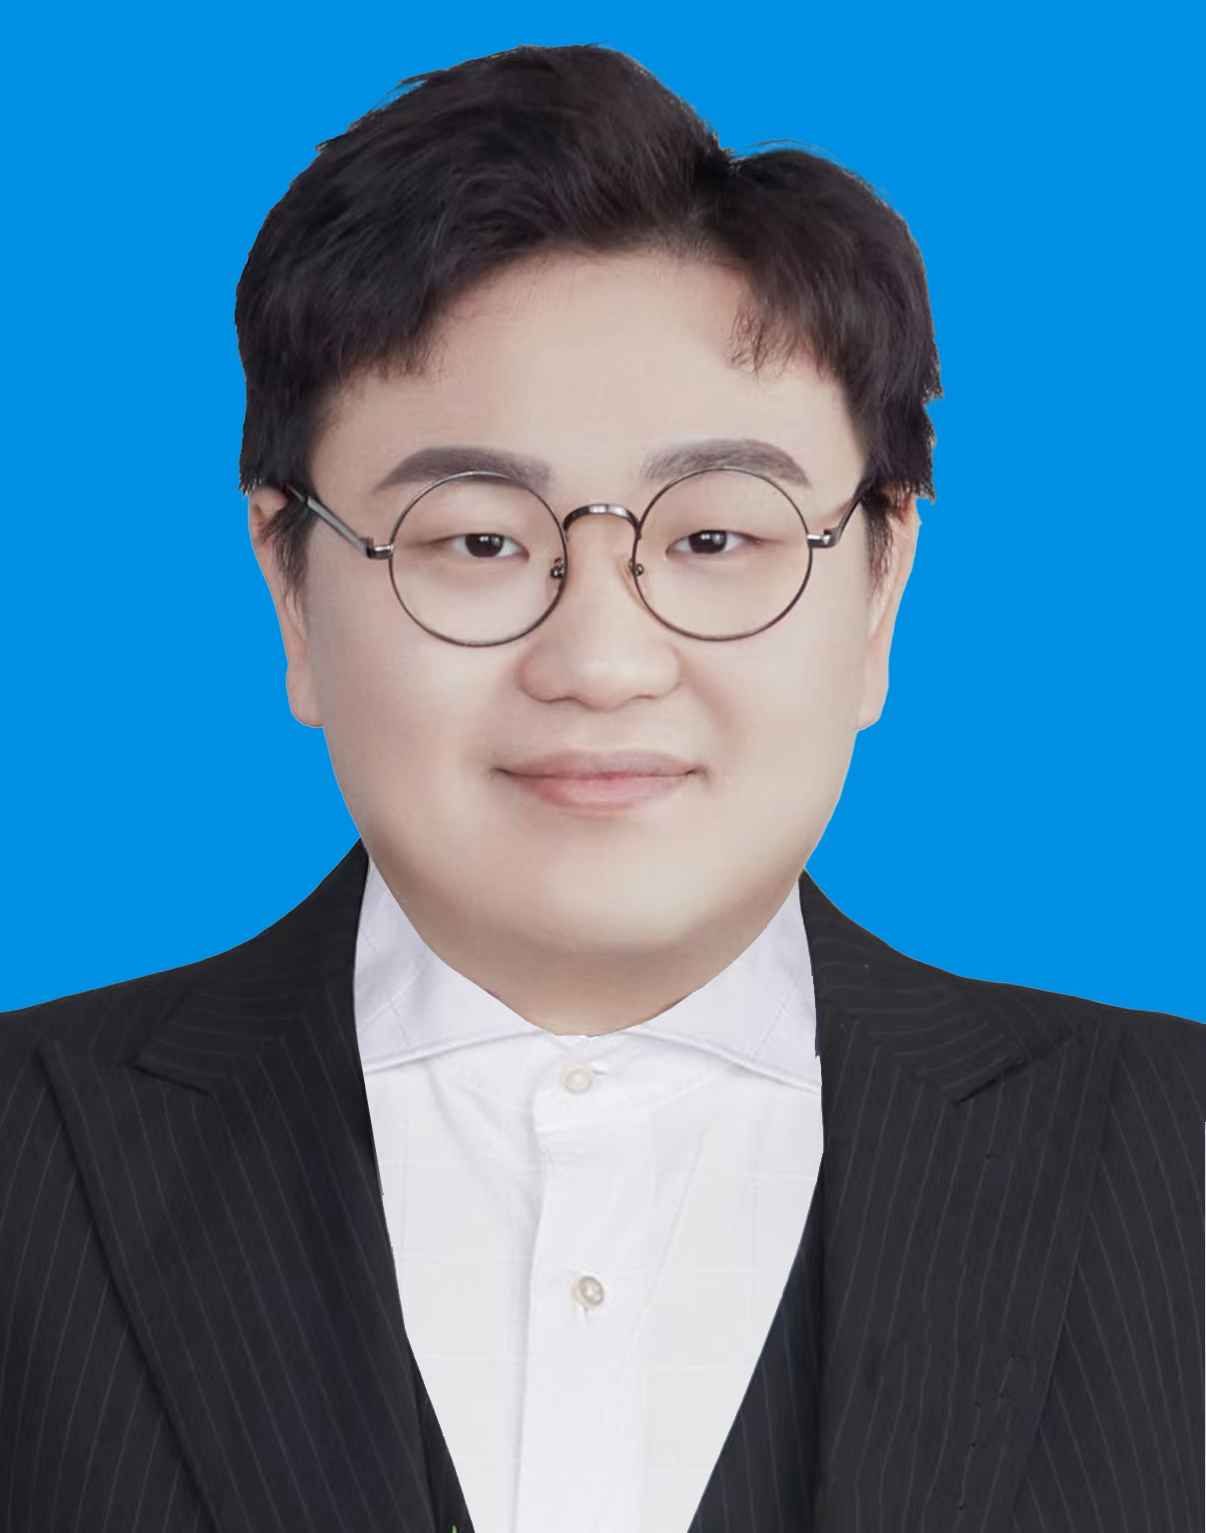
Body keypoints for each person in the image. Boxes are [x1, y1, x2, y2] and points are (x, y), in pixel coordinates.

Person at [1, 41, 1201, 1533]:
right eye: (479, 540)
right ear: (292, 588)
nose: (602, 662)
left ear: (881, 585)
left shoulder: (1179, 1161)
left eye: (713, 538)